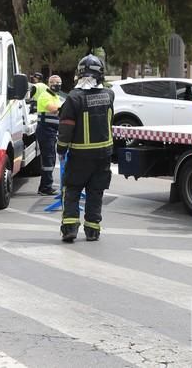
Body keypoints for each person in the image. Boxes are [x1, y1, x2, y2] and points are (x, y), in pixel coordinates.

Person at [57, 54, 114, 242]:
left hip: (80, 156)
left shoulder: (74, 98)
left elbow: (66, 128)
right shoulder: (108, 95)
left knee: (72, 189)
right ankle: (92, 230)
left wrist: (61, 149)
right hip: (104, 155)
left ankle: (70, 228)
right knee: (96, 192)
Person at [36, 75, 63, 196]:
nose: (57, 85)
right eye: (55, 83)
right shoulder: (45, 96)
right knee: (48, 159)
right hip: (45, 131)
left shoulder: (55, 96)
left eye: (59, 83)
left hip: (51, 131)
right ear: (49, 83)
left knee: (50, 158)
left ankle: (46, 186)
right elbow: (53, 109)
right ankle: (45, 188)